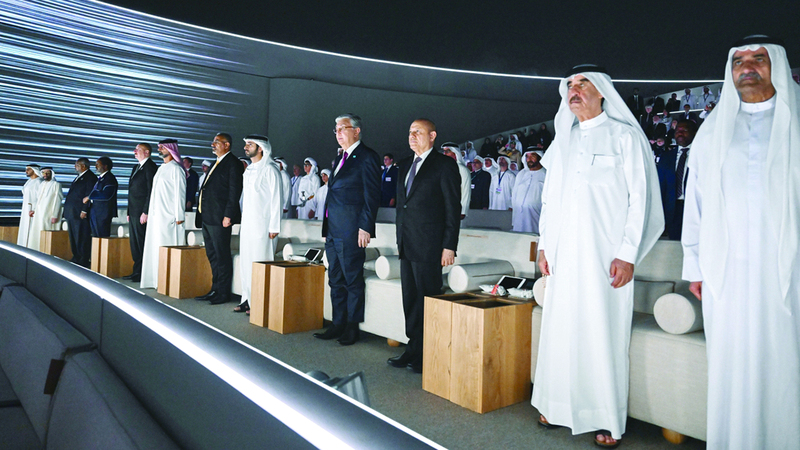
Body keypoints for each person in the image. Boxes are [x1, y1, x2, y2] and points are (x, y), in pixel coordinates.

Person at [533, 65, 663, 448]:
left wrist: (627, 254)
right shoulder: (563, 141)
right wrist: (544, 245)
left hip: (605, 259)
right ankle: (555, 406)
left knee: (602, 334)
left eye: (583, 83)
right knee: (560, 332)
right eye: (570, 85)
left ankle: (606, 417)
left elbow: (640, 201)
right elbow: (549, 200)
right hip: (562, 257)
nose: (574, 90)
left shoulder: (624, 137)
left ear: (603, 90)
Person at [681, 35, 800, 449]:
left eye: (758, 59)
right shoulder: (713, 131)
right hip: (726, 272)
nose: (747, 67)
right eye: (739, 61)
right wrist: (695, 267)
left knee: (785, 359)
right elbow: (695, 205)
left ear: (777, 66)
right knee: (731, 361)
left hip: (789, 272)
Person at [388, 118, 460, 373]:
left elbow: (452, 208)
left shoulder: (444, 165)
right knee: (410, 300)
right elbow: (403, 206)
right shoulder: (404, 165)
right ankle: (413, 348)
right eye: (410, 132)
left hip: (430, 246)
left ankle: (428, 353)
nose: (412, 136)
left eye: (418, 132)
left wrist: (449, 245)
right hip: (407, 243)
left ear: (432, 136)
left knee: (427, 299)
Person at [315, 113, 381, 345]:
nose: (338, 133)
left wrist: (365, 227)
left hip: (352, 229)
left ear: (356, 131)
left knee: (352, 279)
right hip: (333, 229)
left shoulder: (367, 157)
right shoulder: (339, 157)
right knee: (335, 278)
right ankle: (338, 323)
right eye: (336, 129)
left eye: (343, 128)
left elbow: (372, 195)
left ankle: (352, 327)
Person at [194, 133, 244, 305]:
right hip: (208, 217)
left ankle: (223, 293)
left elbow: (234, 191)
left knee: (222, 255)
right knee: (212, 254)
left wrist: (228, 215)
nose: (212, 145)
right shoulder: (216, 163)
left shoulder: (233, 163)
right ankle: (215, 288)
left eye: (216, 142)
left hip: (220, 217)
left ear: (227, 145)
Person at [235, 135, 282, 314]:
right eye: (245, 144)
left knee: (260, 262)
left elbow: (277, 199)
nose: (246, 147)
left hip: (263, 226)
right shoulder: (249, 170)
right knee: (246, 263)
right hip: (248, 224)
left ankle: (260, 302)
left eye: (250, 144)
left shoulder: (270, 169)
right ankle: (247, 299)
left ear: (261, 148)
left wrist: (274, 226)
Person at [140, 139, 187, 289]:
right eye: (159, 147)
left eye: (162, 147)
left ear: (171, 149)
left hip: (169, 217)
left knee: (166, 247)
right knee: (155, 248)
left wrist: (179, 215)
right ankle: (156, 280)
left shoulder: (176, 169)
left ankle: (168, 282)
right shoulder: (161, 168)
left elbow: (180, 193)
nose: (159, 149)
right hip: (157, 216)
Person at [656, 119, 696, 240]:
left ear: (694, 133)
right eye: (678, 130)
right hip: (672, 210)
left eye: (685, 130)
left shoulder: (702, 155)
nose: (680, 133)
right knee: (674, 245)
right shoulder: (666, 157)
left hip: (694, 209)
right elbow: (661, 187)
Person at [124, 143, 157, 283]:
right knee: (134, 243)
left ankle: (142, 272)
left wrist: (146, 211)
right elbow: (131, 191)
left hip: (142, 212)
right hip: (134, 211)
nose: (135, 151)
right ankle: (136, 270)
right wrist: (129, 211)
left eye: (138, 150)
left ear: (147, 152)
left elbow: (151, 191)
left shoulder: (150, 167)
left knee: (141, 241)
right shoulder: (136, 167)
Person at [63, 157, 97, 267]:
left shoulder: (90, 177)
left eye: (77, 165)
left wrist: (84, 210)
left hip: (80, 212)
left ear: (83, 166)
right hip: (72, 212)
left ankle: (83, 259)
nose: (75, 167)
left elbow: (89, 194)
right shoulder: (79, 177)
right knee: (73, 236)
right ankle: (76, 256)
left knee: (81, 236)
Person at [27, 167, 63, 251]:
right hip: (38, 212)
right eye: (43, 173)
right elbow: (38, 199)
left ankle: (44, 250)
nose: (45, 175)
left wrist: (54, 215)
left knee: (44, 230)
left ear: (51, 173)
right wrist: (34, 210)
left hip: (48, 213)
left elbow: (57, 200)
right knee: (36, 231)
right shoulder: (42, 184)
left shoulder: (56, 184)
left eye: (47, 173)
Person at [511, 150, 546, 233]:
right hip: (518, 216)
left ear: (540, 157)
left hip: (535, 217)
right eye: (527, 156)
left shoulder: (546, 174)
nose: (529, 159)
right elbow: (514, 194)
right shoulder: (521, 174)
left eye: (533, 156)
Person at [85, 156, 118, 238]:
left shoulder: (109, 178)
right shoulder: (101, 178)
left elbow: (106, 195)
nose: (96, 166)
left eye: (98, 164)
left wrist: (89, 197)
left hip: (103, 212)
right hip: (96, 211)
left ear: (105, 166)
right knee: (95, 236)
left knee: (102, 236)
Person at [441, 142, 471, 219]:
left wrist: (463, 211)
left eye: (448, 151)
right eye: (444, 151)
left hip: (455, 209)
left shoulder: (462, 169)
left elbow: (466, 191)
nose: (445, 154)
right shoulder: (443, 168)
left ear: (455, 153)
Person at [18, 164, 43, 248]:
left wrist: (35, 209)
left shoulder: (39, 182)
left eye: (28, 169)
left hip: (33, 210)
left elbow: (40, 198)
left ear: (34, 170)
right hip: (26, 208)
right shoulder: (29, 181)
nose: (26, 171)